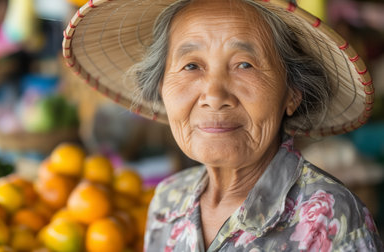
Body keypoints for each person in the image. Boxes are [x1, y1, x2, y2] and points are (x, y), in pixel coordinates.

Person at [63, 0, 383, 250]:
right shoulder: (167, 200)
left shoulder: (328, 219)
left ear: (292, 94)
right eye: (191, 65)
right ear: (161, 87)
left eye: (244, 64)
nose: (214, 96)